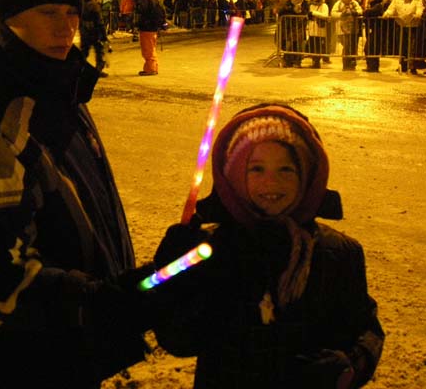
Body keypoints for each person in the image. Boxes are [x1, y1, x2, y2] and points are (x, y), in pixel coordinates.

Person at [0, 0, 152, 389]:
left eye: (71, 12)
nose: (67, 28)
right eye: (47, 12)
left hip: (75, 345)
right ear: (11, 16)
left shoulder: (57, 84)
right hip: (33, 359)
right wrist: (93, 302)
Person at [152, 103, 384, 389]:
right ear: (235, 175)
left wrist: (349, 366)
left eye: (286, 169)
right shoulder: (210, 251)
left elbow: (364, 327)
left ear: (307, 175)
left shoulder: (337, 254)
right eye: (256, 168)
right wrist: (170, 275)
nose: (271, 181)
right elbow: (179, 339)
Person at [382, 0, 424, 74]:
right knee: (402, 46)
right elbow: (392, 8)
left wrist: (418, 14)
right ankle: (403, 65)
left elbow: (420, 8)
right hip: (401, 24)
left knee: (412, 47)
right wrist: (387, 14)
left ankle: (412, 66)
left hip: (412, 25)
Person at [134, 0, 166, 76]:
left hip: (146, 26)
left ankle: (151, 69)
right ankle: (151, 67)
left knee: (148, 49)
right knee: (151, 48)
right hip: (153, 27)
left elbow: (141, 10)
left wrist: (136, 0)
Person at [331, 0, 362, 71]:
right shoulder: (338, 4)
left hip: (354, 28)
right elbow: (333, 13)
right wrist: (342, 14)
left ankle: (352, 64)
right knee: (347, 46)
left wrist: (355, 13)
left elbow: (360, 11)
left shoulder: (354, 3)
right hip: (343, 30)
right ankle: (346, 64)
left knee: (353, 47)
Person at [80, 0, 109, 77]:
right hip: (95, 32)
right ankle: (98, 71)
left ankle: (80, 69)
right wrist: (104, 36)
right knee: (99, 52)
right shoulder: (94, 6)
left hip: (84, 32)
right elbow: (99, 21)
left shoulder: (81, 6)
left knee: (84, 52)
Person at [307, 0, 329, 68]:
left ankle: (317, 62)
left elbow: (325, 15)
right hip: (312, 29)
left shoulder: (324, 5)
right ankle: (314, 61)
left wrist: (314, 13)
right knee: (312, 46)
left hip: (320, 29)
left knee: (318, 46)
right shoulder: (311, 5)